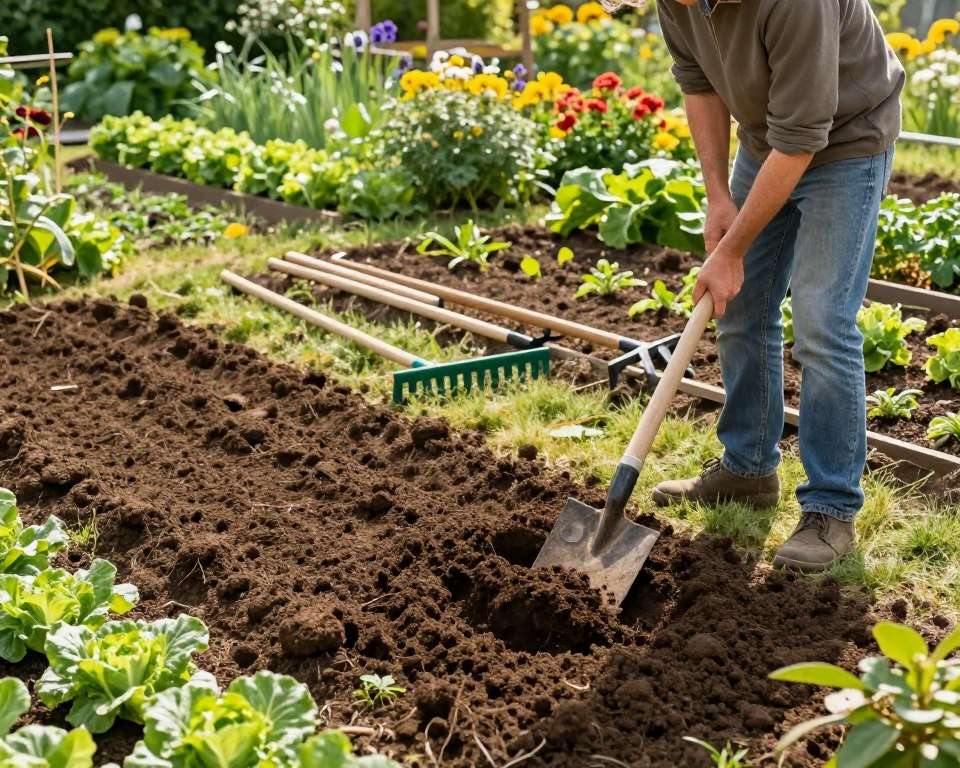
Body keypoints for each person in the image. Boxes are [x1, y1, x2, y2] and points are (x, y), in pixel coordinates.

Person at [606, 0, 904, 571]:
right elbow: (700, 85)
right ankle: (747, 468)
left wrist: (732, 250)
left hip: (846, 143)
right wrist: (718, 195)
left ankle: (831, 508)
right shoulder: (679, 2)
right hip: (769, 140)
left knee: (821, 322)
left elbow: (803, 139)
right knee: (739, 308)